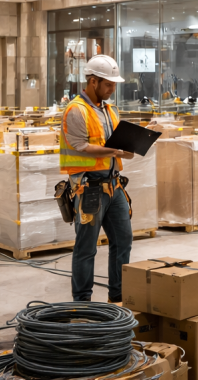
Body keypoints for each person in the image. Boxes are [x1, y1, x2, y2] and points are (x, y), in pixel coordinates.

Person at [60, 54, 134, 303]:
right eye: (109, 85)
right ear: (93, 81)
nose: (112, 90)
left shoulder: (110, 110)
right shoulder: (76, 110)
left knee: (123, 240)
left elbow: (115, 143)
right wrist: (114, 150)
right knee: (86, 248)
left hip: (114, 185)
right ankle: (82, 302)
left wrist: (132, 146)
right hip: (88, 188)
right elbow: (80, 145)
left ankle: (118, 297)